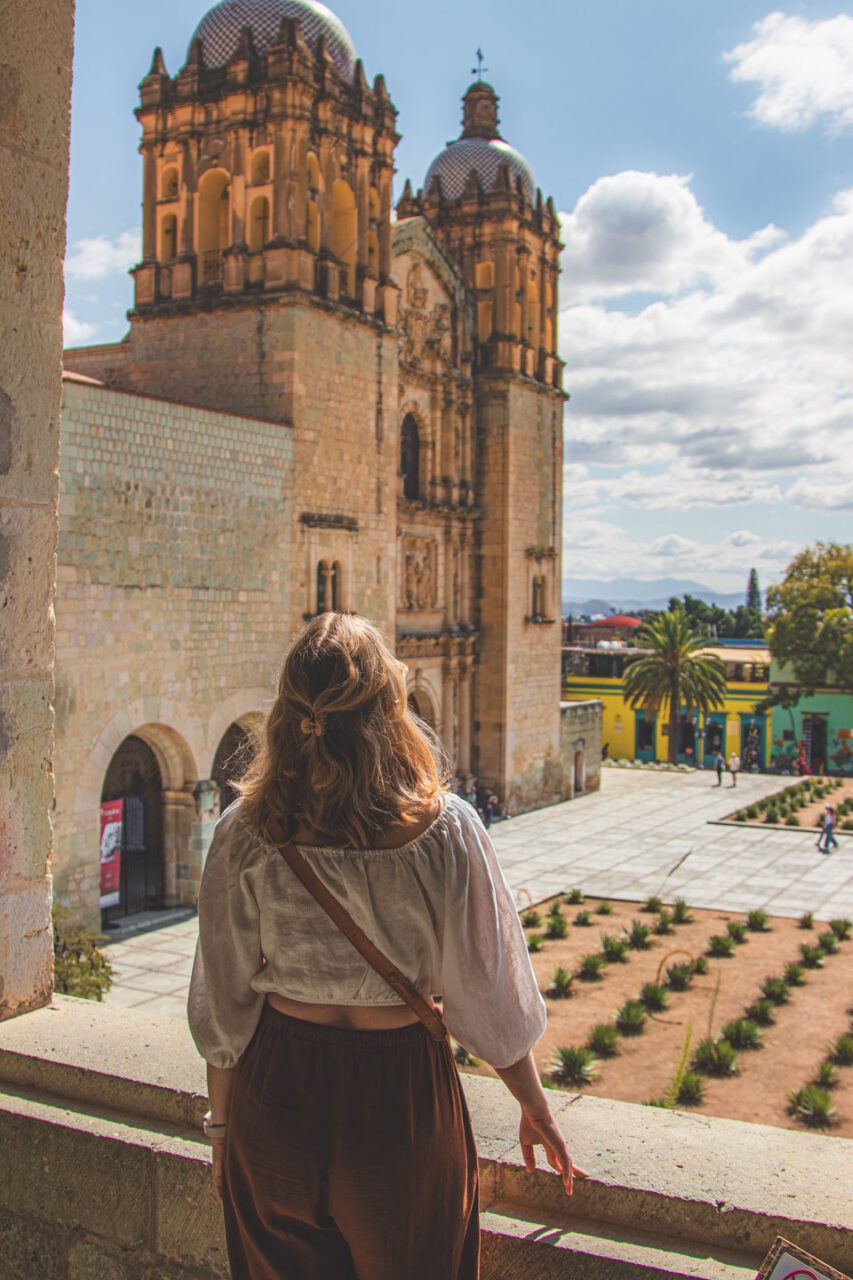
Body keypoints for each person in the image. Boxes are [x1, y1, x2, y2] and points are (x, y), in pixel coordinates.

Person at [187, 613, 583, 1280]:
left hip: (274, 1090)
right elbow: (488, 995)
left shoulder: (243, 831)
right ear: (387, 709)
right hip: (397, 1096)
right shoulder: (445, 832)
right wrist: (534, 1104)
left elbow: (222, 1004)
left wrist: (224, 1132)